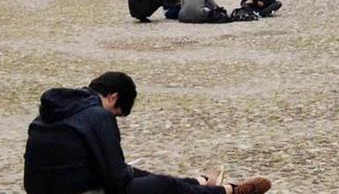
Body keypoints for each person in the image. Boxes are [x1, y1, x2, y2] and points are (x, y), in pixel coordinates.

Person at [23, 71, 271, 194]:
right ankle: (226, 191)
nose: (114, 118)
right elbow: (117, 178)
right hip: (80, 190)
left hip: (45, 188)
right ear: (113, 98)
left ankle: (199, 182)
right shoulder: (98, 115)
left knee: (146, 176)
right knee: (162, 184)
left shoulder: (58, 110)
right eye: (117, 114)